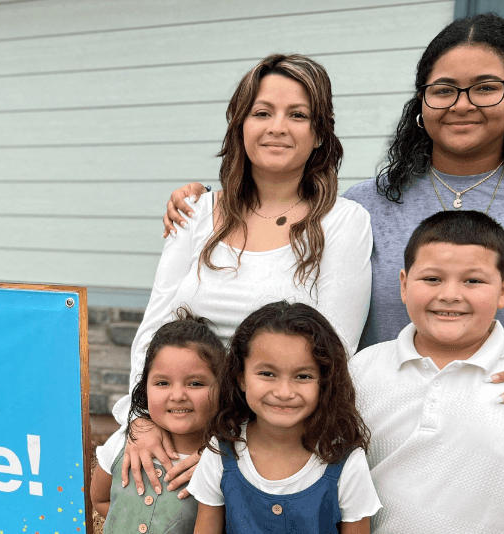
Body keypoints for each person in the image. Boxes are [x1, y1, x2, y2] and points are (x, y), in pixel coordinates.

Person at [160, 13, 504, 432]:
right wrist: (207, 202)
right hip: (375, 431)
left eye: (485, 87)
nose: (462, 104)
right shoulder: (363, 207)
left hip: (499, 433)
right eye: (443, 89)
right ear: (421, 103)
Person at [113, 54, 374, 498]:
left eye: (297, 114)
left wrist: (226, 455)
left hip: (275, 446)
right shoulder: (196, 213)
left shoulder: (343, 221)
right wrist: (140, 419)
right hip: (179, 428)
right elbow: (154, 328)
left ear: (319, 135)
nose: (277, 126)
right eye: (262, 112)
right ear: (240, 126)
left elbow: (336, 352)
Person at [350, 210, 504, 532]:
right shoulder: (360, 372)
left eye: (473, 280)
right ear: (404, 285)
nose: (450, 295)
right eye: (432, 278)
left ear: (503, 290)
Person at [190, 301, 380, 534]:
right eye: (267, 374)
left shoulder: (346, 462)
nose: (284, 392)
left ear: (325, 382)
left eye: (303, 376)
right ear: (241, 376)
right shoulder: (220, 451)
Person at [90, 308, 223, 533]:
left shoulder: (220, 462)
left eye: (195, 383)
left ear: (223, 389)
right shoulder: (123, 442)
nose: (178, 395)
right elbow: (100, 500)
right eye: (162, 383)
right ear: (144, 388)